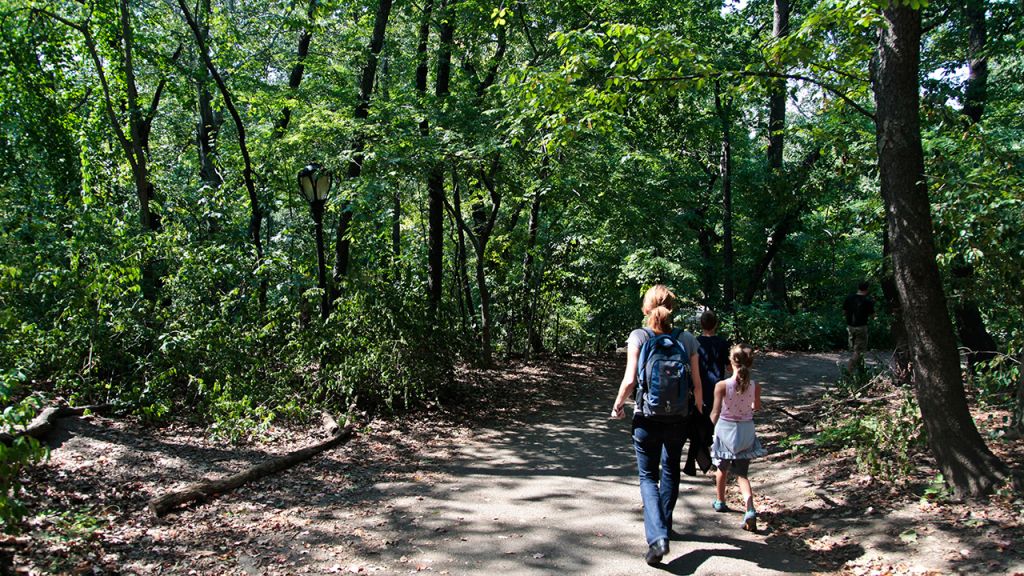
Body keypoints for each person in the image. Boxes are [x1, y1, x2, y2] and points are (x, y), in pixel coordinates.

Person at [611, 285, 702, 566]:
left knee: (648, 476)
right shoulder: (687, 339)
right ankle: (663, 526)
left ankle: (658, 537)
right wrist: (698, 415)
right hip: (679, 418)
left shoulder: (639, 336)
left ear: (645, 308)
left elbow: (629, 379)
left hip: (646, 417)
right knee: (671, 469)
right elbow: (697, 384)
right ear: (672, 308)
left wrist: (617, 405)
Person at [709, 343, 766, 532]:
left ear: (730, 363)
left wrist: (711, 427)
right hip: (746, 429)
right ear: (750, 364)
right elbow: (756, 407)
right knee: (742, 474)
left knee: (722, 467)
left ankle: (720, 500)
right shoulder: (755, 386)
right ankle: (749, 509)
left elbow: (715, 412)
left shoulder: (722, 385)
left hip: (726, 429)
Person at [684, 310, 728, 476]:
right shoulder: (722, 343)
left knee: (698, 423)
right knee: (709, 424)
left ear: (701, 324)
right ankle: (705, 457)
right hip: (716, 387)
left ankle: (699, 458)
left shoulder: (695, 342)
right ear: (716, 324)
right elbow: (729, 366)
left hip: (698, 386)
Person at [843, 281, 875, 372]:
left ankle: (860, 372)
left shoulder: (849, 298)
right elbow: (873, 316)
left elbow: (844, 312)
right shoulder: (867, 301)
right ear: (867, 289)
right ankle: (849, 371)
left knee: (854, 350)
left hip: (850, 327)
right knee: (859, 351)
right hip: (861, 327)